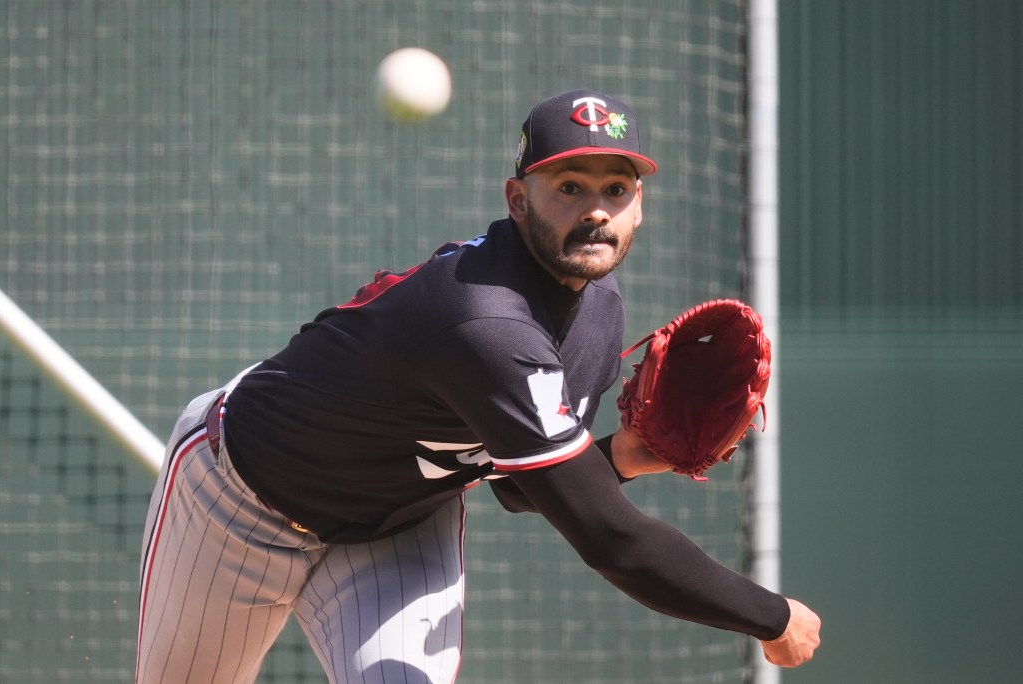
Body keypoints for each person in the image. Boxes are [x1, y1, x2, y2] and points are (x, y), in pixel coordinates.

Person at [136, 89, 821, 684]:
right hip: (240, 502)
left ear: (639, 206)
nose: (596, 211)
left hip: (397, 526)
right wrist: (770, 616)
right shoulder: (483, 320)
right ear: (518, 200)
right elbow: (614, 542)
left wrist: (627, 455)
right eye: (570, 187)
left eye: (617, 189)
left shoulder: (597, 312)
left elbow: (516, 487)